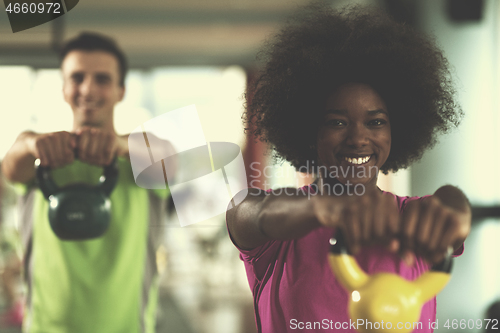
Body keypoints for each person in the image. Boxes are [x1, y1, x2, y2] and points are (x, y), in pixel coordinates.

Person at [226, 4, 471, 333]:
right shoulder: (277, 233)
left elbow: (452, 210)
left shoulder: (415, 221)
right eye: (337, 122)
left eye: (376, 122)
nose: (358, 137)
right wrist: (325, 208)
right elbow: (248, 212)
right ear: (310, 131)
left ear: (395, 130)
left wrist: (455, 206)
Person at [1, 32, 175, 333]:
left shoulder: (141, 157)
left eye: (102, 79)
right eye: (77, 77)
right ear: (64, 88)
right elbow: (11, 166)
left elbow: (169, 158)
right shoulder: (41, 158)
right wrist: (31, 143)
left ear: (121, 91)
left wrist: (118, 145)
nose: (88, 88)